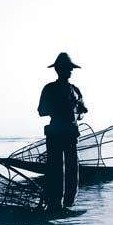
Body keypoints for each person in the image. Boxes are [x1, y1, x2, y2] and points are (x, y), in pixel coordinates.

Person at [38, 52, 88, 211]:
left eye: (70, 68)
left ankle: (68, 204)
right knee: (56, 168)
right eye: (68, 68)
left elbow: (82, 112)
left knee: (72, 168)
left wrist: (75, 113)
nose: (70, 71)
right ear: (59, 70)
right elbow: (42, 111)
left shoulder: (75, 91)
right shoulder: (50, 89)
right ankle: (55, 204)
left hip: (70, 134)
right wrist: (61, 108)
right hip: (56, 133)